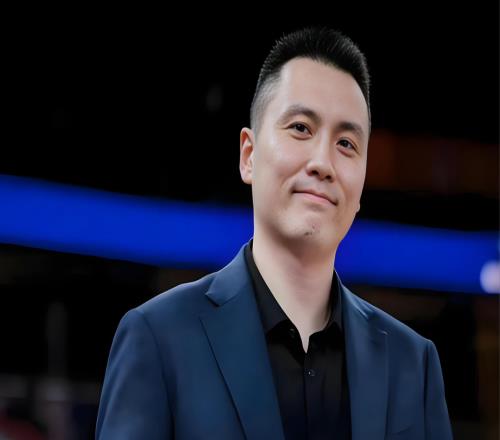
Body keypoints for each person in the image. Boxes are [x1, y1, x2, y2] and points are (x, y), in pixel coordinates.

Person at [96, 27, 453, 439]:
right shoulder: (159, 337)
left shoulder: (413, 365)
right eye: (301, 128)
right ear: (248, 155)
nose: (323, 163)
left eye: (346, 144)